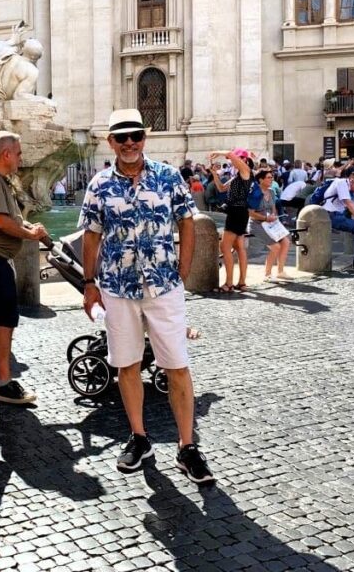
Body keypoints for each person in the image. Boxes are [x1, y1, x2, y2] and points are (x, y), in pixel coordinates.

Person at [80, 109, 213, 484]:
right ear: (110, 142)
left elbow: (187, 220)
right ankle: (139, 437)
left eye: (135, 136)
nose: (129, 143)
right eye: (121, 137)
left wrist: (183, 269)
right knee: (127, 365)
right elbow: (91, 234)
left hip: (163, 286)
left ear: (144, 138)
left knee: (177, 365)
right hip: (117, 287)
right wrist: (89, 284)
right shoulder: (99, 184)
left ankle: (188, 447)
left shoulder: (169, 177)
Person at [0, 131, 49, 405]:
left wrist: (28, 227)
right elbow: (1, 222)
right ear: (6, 155)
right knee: (4, 319)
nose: (20, 157)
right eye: (18, 152)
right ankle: (3, 381)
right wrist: (30, 235)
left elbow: (10, 218)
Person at [209, 149, 253, 293]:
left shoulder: (246, 171)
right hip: (238, 211)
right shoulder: (236, 176)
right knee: (240, 248)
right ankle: (242, 282)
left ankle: (229, 283)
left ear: (245, 160)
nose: (235, 160)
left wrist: (220, 152)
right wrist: (214, 174)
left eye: (240, 158)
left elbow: (230, 154)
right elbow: (221, 188)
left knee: (225, 247)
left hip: (237, 211)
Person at [321, 168, 354, 271]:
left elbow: (352, 205)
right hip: (331, 215)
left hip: (335, 214)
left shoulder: (345, 185)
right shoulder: (342, 183)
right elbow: (348, 203)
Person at [248, 170, 292, 282]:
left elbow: (273, 208)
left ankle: (280, 271)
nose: (271, 179)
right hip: (256, 223)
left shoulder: (271, 192)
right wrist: (266, 218)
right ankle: (267, 274)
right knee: (276, 246)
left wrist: (274, 217)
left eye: (272, 177)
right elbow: (251, 213)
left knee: (286, 242)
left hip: (271, 223)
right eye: (268, 177)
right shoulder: (255, 193)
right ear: (261, 180)